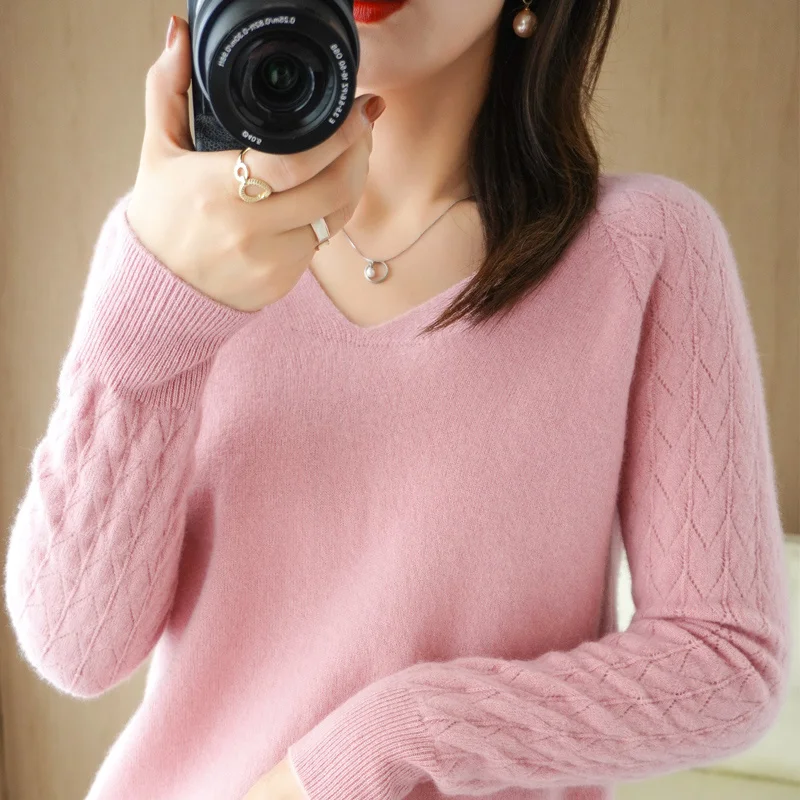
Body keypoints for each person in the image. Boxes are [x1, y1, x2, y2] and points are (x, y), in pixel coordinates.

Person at [3, 1, 792, 799]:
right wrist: (146, 326)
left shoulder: (642, 247)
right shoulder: (188, 241)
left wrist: (395, 737)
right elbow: (78, 647)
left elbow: (727, 665)